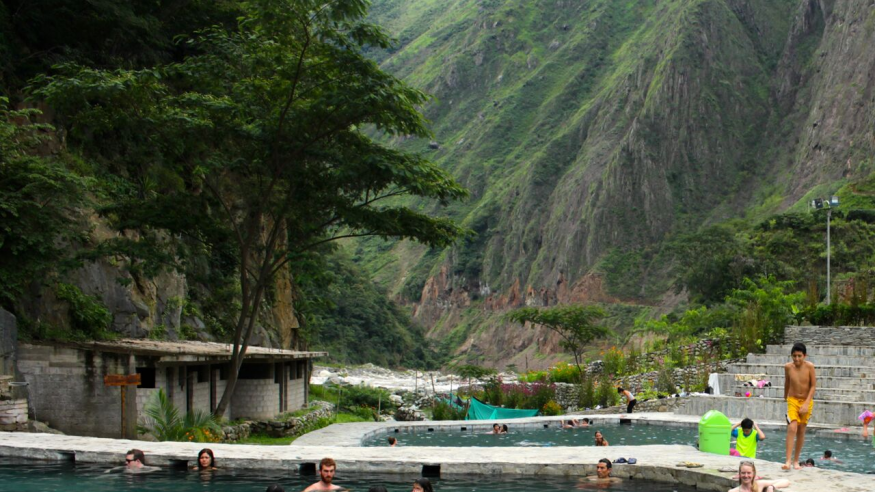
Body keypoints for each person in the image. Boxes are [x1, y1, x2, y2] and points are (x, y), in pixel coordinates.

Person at [782, 342, 816, 470]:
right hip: (793, 400)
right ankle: (788, 461)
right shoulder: (788, 367)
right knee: (792, 428)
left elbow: (813, 386)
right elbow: (787, 382)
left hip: (806, 401)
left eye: (799, 356)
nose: (796, 359)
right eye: (794, 356)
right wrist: (785, 397)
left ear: (804, 356)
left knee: (801, 430)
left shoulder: (810, 367)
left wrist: (807, 403)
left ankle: (796, 461)